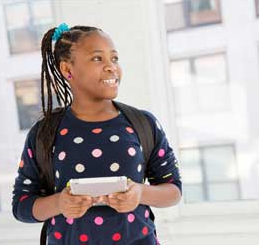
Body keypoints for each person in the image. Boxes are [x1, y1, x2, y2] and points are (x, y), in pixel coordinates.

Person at [12, 23, 182, 245]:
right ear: (67, 70)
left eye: (114, 58)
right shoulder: (44, 133)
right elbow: (21, 205)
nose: (111, 67)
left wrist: (140, 193)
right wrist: (59, 204)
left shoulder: (143, 123)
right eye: (97, 59)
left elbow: (174, 190)